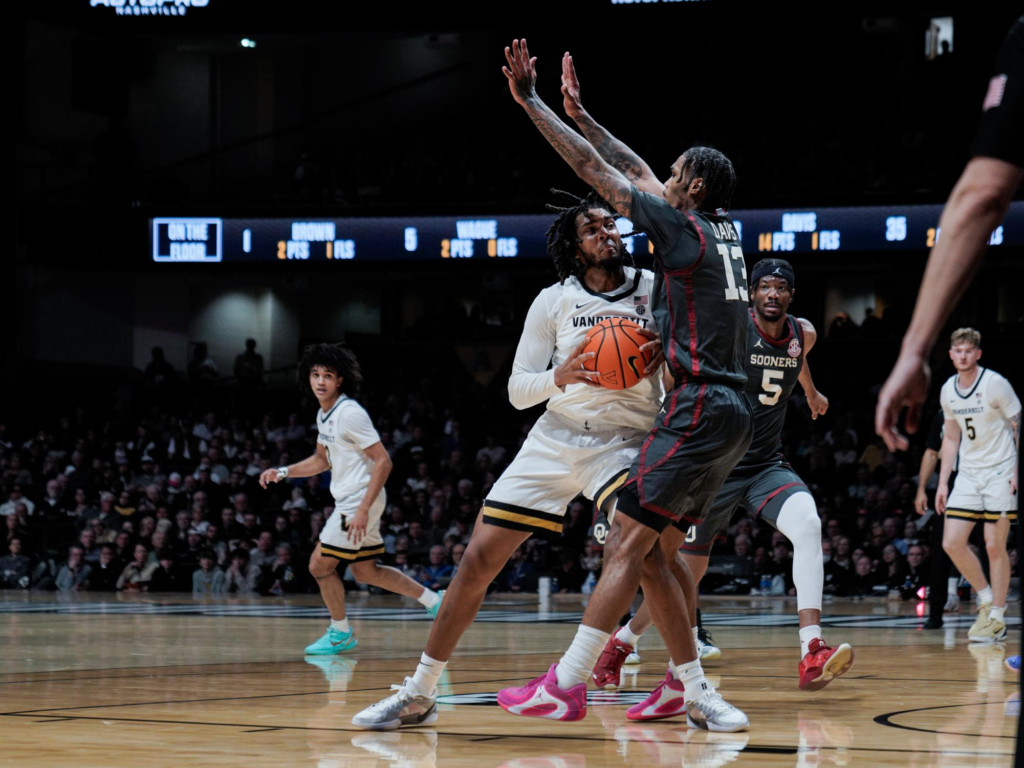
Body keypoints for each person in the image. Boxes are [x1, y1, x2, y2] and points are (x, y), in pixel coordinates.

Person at [351, 82, 671, 730]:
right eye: (593, 227)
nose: (607, 230)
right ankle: (420, 690)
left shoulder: (655, 287)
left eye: (610, 222)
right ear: (575, 247)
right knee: (476, 561)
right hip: (555, 436)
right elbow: (516, 389)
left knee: (646, 556)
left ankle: (689, 684)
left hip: (624, 440)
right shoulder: (553, 301)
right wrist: (562, 374)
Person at [495, 40, 752, 731]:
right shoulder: (721, 230)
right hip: (731, 413)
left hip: (697, 406)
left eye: (675, 175)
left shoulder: (681, 229)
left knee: (627, 547)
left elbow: (596, 172)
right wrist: (584, 114)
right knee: (653, 555)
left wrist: (533, 103)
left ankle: (567, 683)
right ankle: (685, 687)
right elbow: (633, 169)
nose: (662, 179)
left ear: (693, 191)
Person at [594, 257, 853, 694]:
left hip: (764, 464)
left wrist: (810, 391)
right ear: (751, 294)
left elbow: (798, 357)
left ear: (791, 296)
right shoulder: (732, 328)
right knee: (685, 574)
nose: (773, 294)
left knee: (809, 524)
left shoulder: (803, 333)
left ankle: (812, 649)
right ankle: (623, 641)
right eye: (765, 287)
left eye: (781, 288)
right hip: (714, 466)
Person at [260, 343, 443, 656]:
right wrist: (284, 471)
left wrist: (362, 509)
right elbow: (321, 460)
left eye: (327, 376)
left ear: (339, 380)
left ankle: (341, 633)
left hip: (359, 500)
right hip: (357, 501)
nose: (320, 381)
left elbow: (383, 461)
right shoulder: (324, 414)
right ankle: (435, 601)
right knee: (365, 572)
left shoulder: (350, 414)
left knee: (319, 565)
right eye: (315, 375)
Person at [934, 328, 1019, 643]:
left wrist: (1017, 469)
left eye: (969, 350)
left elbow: (1018, 423)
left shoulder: (995, 384)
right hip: (969, 474)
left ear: (978, 354)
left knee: (994, 544)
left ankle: (997, 616)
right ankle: (985, 598)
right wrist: (943, 482)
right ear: (951, 354)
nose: (963, 355)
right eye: (958, 351)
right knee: (951, 542)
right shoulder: (948, 390)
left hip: (1000, 470)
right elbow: (951, 437)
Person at [917, 409, 962, 628]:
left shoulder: (990, 405)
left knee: (989, 545)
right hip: (951, 482)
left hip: (983, 479)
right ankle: (935, 612)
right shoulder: (943, 414)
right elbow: (932, 451)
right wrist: (921, 488)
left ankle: (991, 609)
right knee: (941, 548)